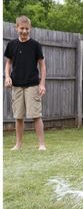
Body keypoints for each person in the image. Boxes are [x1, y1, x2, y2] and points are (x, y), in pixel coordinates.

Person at [4, 15, 46, 151]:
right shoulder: (11, 45)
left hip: (32, 84)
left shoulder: (35, 45)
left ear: (30, 29)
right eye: (22, 28)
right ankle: (18, 144)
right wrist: (7, 77)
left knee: (36, 116)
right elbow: (8, 63)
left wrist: (42, 84)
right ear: (17, 28)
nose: (24, 31)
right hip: (16, 85)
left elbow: (42, 65)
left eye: (27, 29)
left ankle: (41, 145)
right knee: (18, 117)